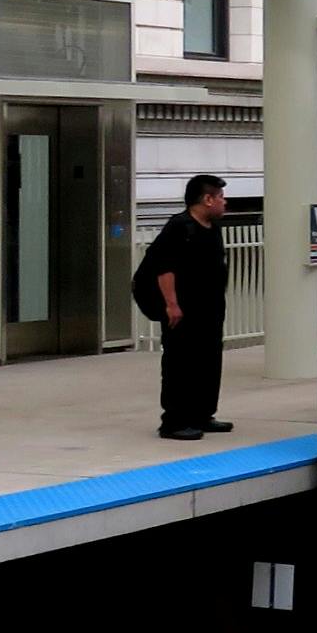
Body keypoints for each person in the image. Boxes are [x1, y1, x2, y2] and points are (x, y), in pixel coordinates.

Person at [144, 175, 233, 440]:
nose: (224, 202)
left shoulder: (212, 227)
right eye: (220, 196)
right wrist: (172, 305)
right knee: (180, 363)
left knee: (208, 361)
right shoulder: (179, 227)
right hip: (183, 311)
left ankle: (202, 415)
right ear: (207, 199)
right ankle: (174, 421)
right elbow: (164, 268)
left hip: (210, 310)